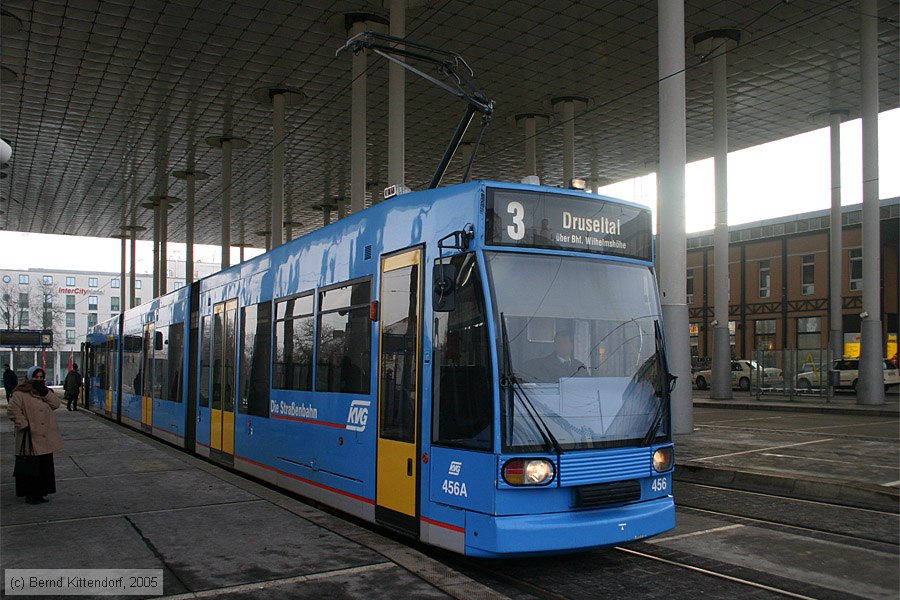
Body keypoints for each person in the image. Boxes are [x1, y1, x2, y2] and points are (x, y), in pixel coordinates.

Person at [7, 366, 63, 505]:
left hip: (44, 436)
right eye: (35, 376)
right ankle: (30, 495)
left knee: (44, 467)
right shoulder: (19, 393)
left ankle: (40, 493)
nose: (38, 379)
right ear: (29, 377)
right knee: (31, 467)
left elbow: (56, 404)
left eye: (40, 377)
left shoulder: (45, 392)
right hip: (29, 436)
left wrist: (46, 393)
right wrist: (24, 424)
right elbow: (13, 411)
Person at [523, 330, 587, 382]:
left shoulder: (580, 367)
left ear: (572, 345)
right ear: (555, 345)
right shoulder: (543, 365)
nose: (563, 346)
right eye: (559, 343)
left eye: (566, 343)